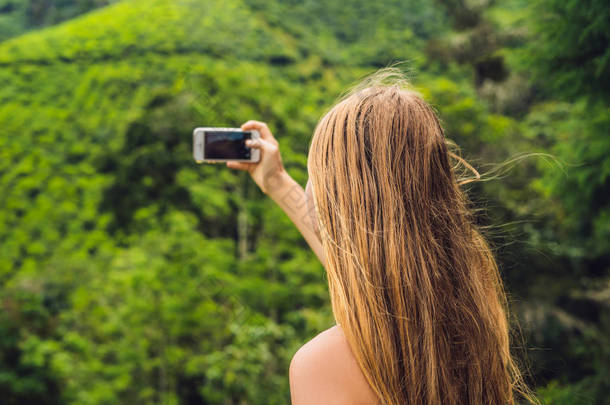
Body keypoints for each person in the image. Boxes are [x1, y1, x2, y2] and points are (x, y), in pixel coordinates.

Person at [226, 68, 536, 405]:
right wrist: (277, 182)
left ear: (342, 200)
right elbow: (369, 270)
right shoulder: (479, 317)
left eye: (315, 173)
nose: (310, 188)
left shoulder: (321, 365)